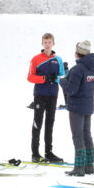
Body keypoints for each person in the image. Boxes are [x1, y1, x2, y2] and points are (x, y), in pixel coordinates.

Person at [59, 40, 94, 176]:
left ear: (77, 53)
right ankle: (89, 166)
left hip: (77, 107)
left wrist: (62, 81)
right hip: (88, 105)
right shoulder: (93, 68)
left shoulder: (77, 69)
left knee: (78, 136)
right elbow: (92, 86)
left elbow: (71, 90)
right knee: (87, 135)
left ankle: (79, 168)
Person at [27, 33, 66, 163]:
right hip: (40, 94)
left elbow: (61, 75)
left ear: (53, 43)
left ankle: (48, 152)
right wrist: (43, 78)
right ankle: (35, 153)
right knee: (38, 122)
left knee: (50, 123)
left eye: (49, 42)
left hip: (53, 94)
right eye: (45, 42)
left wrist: (65, 70)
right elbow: (30, 77)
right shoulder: (36, 59)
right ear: (42, 43)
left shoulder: (58, 59)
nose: (47, 44)